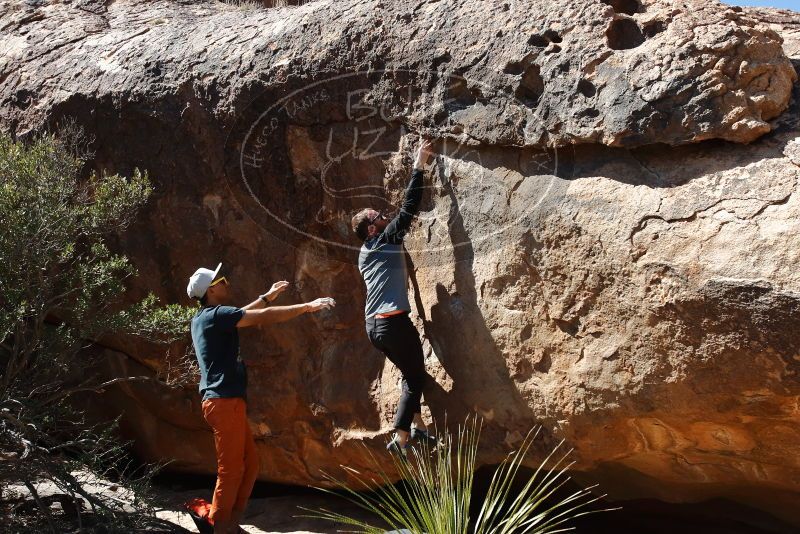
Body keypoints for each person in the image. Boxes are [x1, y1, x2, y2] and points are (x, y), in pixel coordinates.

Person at [186, 265, 335, 534]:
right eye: (222, 279)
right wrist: (306, 307)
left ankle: (230, 521)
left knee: (250, 464)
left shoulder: (206, 317)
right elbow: (261, 317)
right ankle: (219, 527)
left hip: (225, 401)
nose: (226, 282)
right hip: (223, 401)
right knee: (230, 469)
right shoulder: (215, 316)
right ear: (211, 289)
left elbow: (246, 313)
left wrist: (267, 296)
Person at [350, 138, 437, 456]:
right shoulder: (385, 240)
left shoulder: (365, 251)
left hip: (375, 327)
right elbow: (408, 209)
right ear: (373, 229)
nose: (385, 217)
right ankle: (401, 438)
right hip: (392, 323)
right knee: (416, 376)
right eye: (378, 217)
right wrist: (419, 165)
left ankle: (420, 427)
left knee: (408, 372)